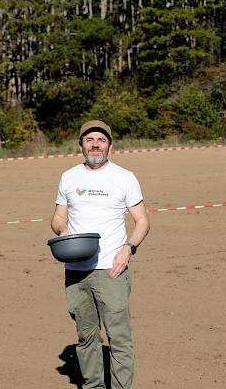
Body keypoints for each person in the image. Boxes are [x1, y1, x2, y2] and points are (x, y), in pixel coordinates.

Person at [51, 120, 151, 389]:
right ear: (81, 145)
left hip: (112, 270)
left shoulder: (124, 177)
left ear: (110, 145)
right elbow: (59, 218)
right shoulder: (69, 177)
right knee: (86, 338)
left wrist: (128, 248)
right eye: (89, 140)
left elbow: (142, 220)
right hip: (76, 270)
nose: (95, 145)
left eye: (101, 140)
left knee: (119, 339)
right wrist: (63, 231)